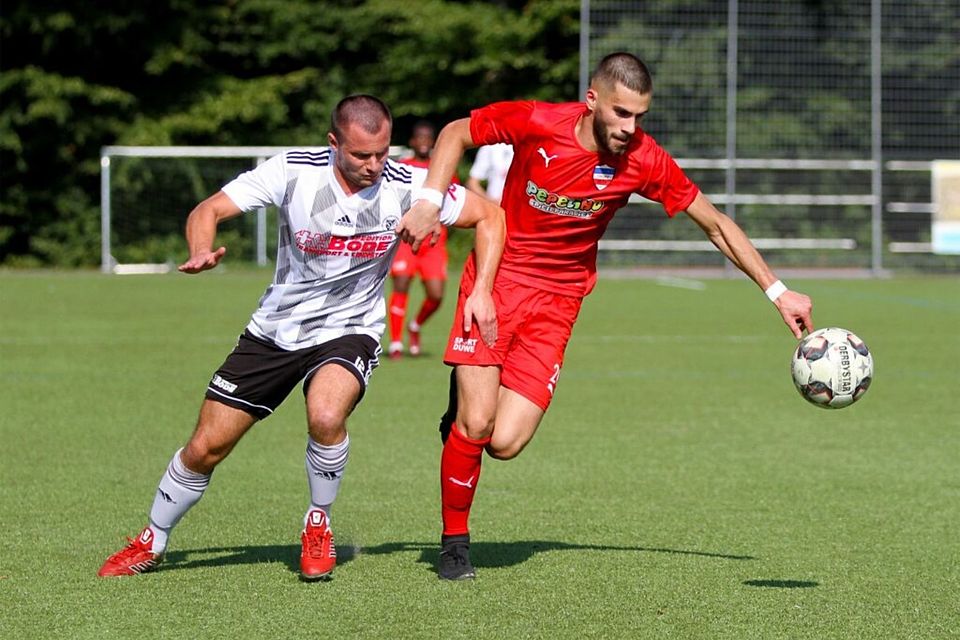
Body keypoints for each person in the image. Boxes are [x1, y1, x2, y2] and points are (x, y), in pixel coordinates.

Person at [396, 52, 815, 581]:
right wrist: (431, 199)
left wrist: (777, 291)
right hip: (495, 282)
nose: (629, 127)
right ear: (592, 100)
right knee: (476, 425)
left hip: (559, 303)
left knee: (504, 443)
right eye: (620, 113)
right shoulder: (538, 121)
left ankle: (461, 419)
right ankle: (454, 543)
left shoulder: (644, 159)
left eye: (639, 116)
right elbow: (457, 130)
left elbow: (713, 223)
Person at [97, 95, 504, 580]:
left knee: (326, 414)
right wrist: (201, 248)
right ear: (334, 143)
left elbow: (491, 217)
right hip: (274, 331)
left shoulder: (412, 185)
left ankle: (318, 523)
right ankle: (153, 539)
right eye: (360, 155)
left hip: (348, 330)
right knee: (206, 446)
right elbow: (208, 209)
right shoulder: (292, 171)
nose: (375, 166)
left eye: (382, 153)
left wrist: (482, 289)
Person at [387, 121, 459, 359]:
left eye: (429, 138)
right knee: (401, 285)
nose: (424, 142)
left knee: (436, 295)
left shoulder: (444, 169)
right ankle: (396, 343)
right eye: (420, 138)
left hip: (433, 244)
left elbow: (455, 203)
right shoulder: (402, 168)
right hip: (407, 240)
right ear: (413, 142)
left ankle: (415, 326)